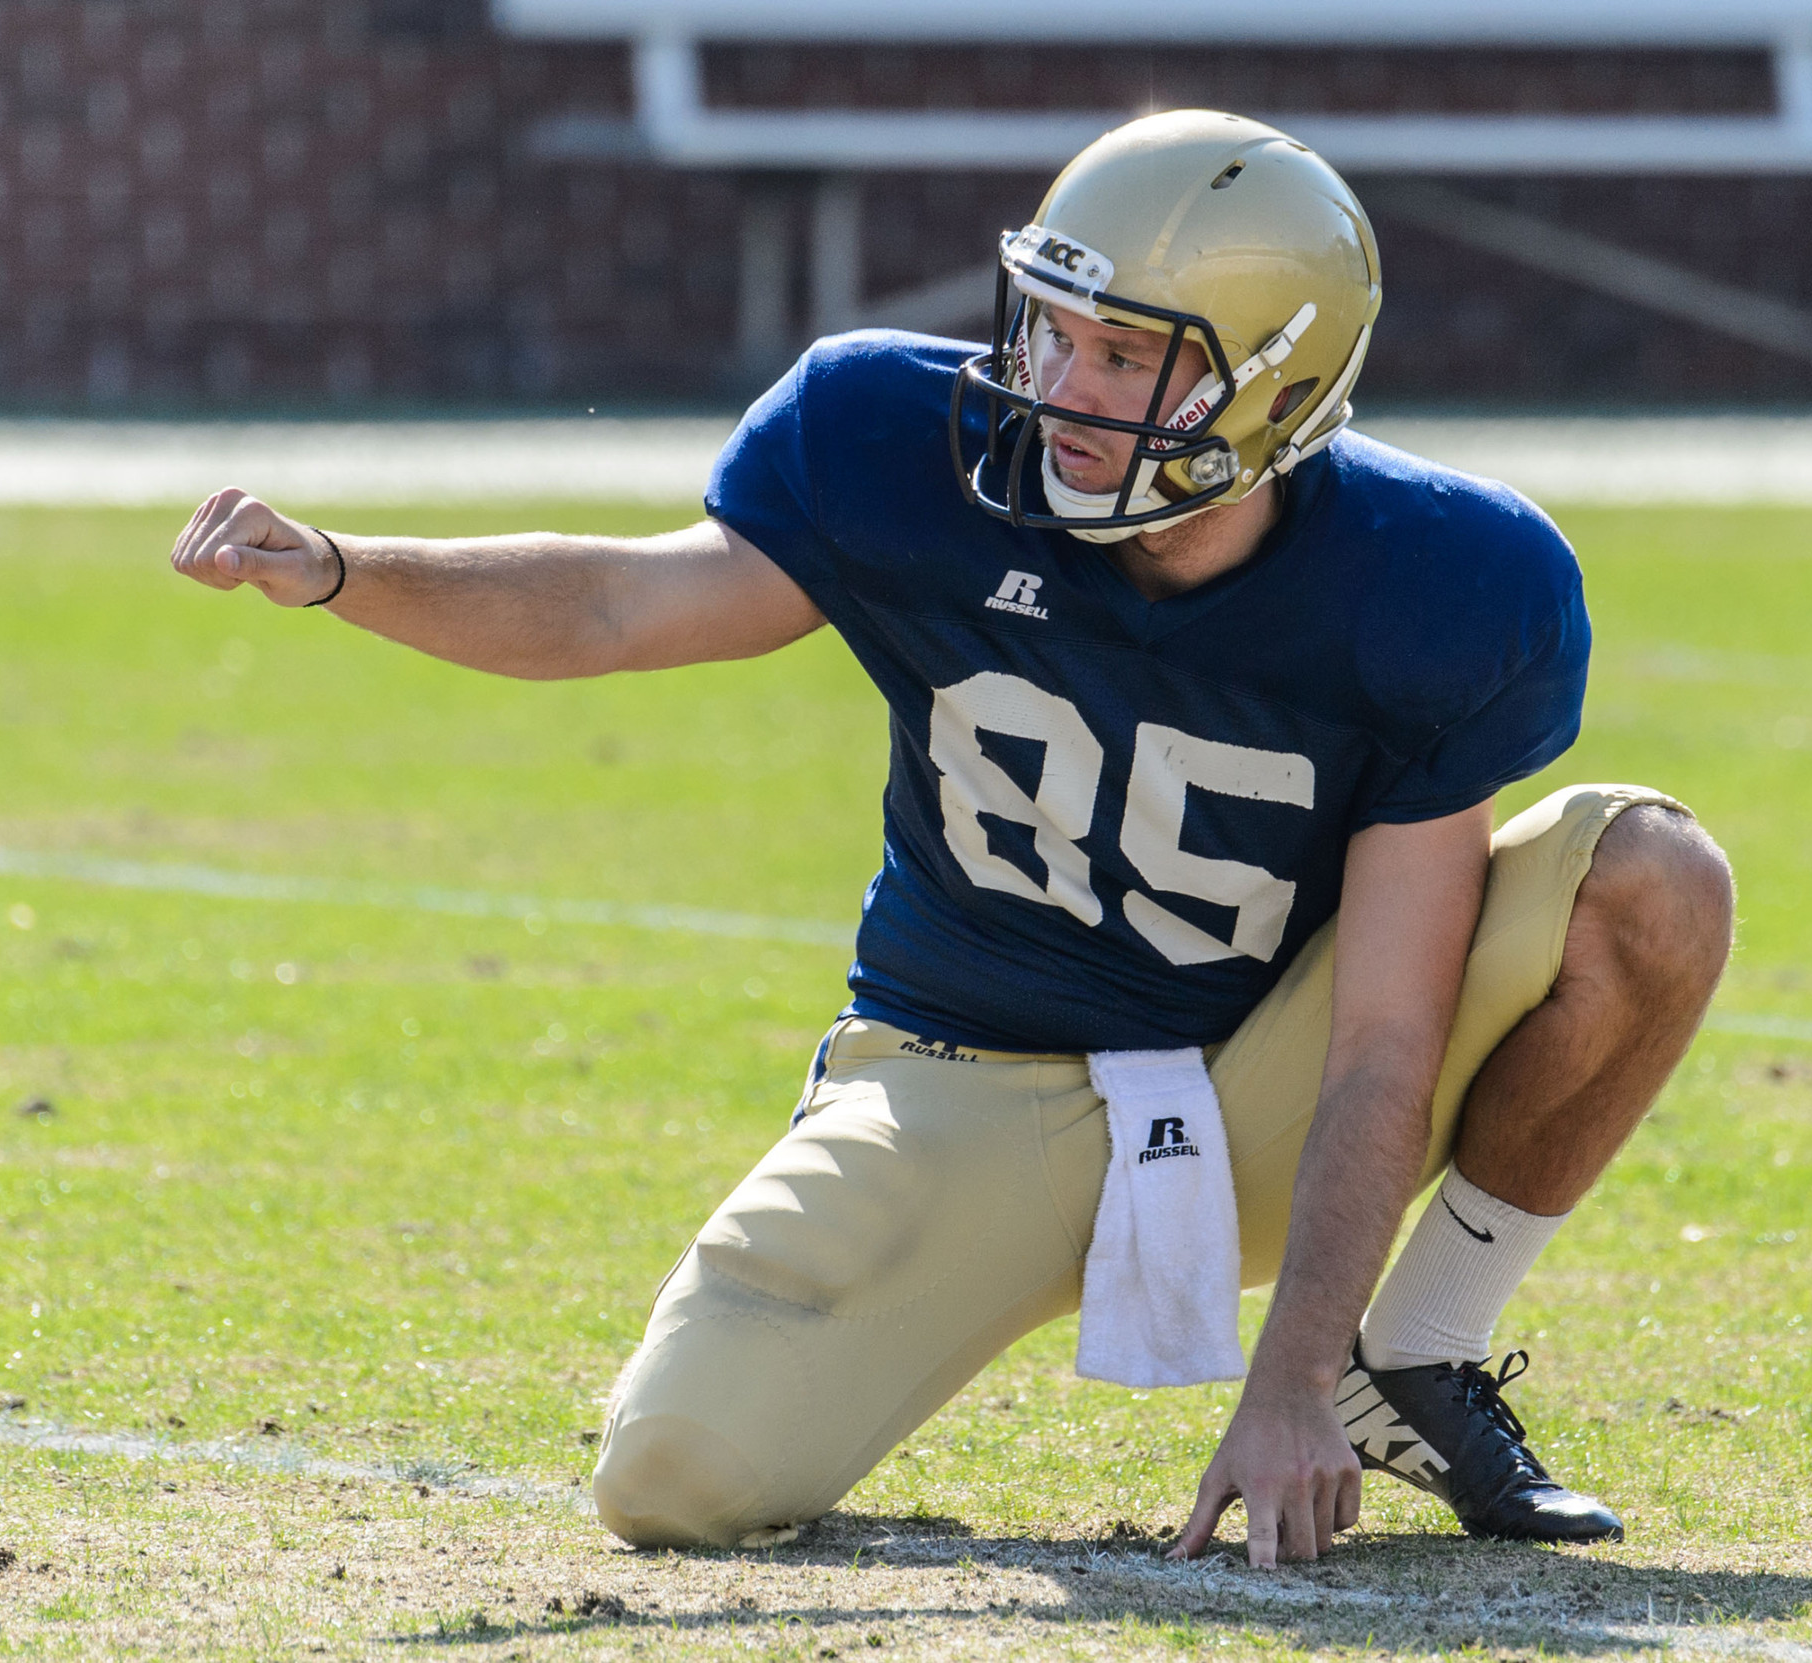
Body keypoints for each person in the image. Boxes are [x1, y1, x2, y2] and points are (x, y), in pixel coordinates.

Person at [168, 109, 1733, 1567]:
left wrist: (1297, 1377)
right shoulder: (888, 435)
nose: (1060, 385)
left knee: (1650, 879)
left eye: (1126, 356)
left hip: (1257, 1075)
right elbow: (615, 601)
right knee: (676, 1480)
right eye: (1051, 326)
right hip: (955, 1085)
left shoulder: (1448, 578)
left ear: (1272, 388)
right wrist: (343, 569)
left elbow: (1388, 1037)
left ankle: (1426, 1356)